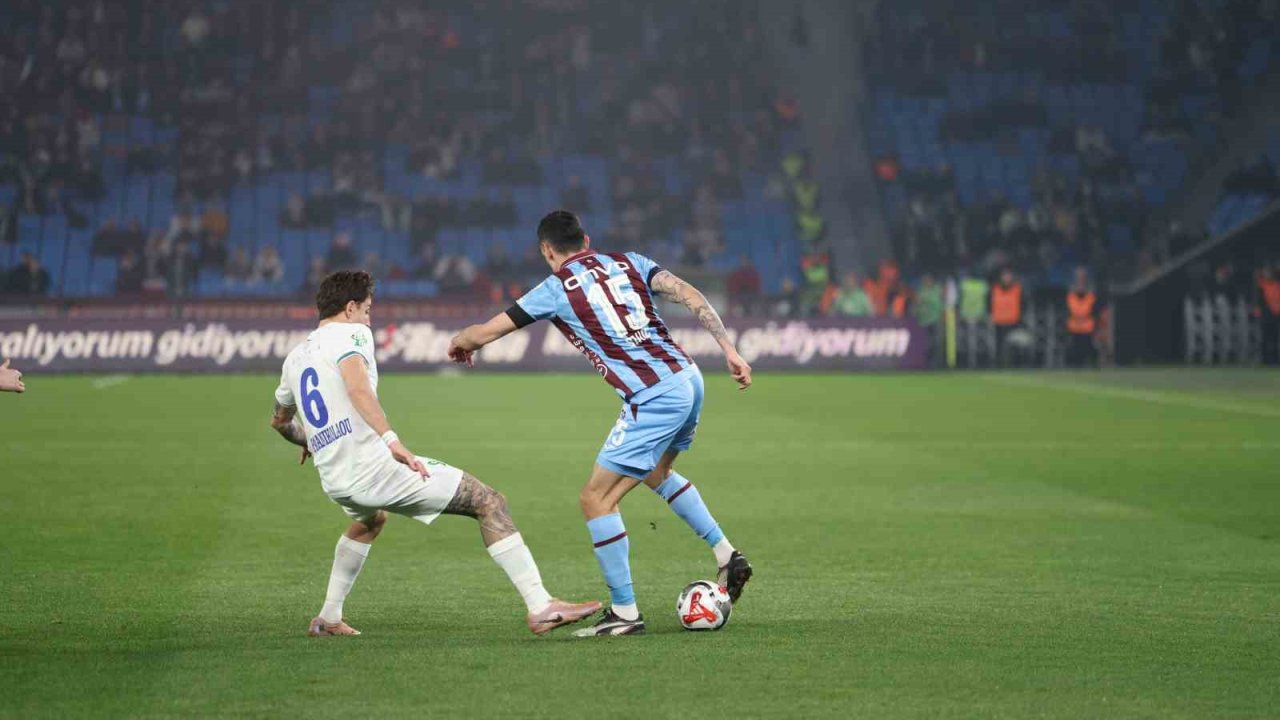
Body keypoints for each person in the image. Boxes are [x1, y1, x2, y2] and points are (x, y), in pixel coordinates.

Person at [447, 210, 754, 638]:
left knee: (595, 499)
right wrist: (729, 349)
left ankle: (625, 614)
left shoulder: (554, 288)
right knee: (657, 472)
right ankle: (727, 555)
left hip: (653, 396)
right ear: (586, 240)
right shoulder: (630, 261)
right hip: (688, 378)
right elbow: (687, 293)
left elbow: (482, 334)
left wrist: (459, 342)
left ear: (546, 250)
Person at [272, 270, 599, 637]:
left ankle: (329, 617)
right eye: (366, 309)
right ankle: (541, 606)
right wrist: (392, 441)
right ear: (349, 309)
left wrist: (308, 441)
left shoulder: (295, 358)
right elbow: (357, 389)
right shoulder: (353, 334)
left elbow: (280, 421)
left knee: (370, 520)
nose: (369, 317)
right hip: (374, 468)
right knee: (489, 502)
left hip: (336, 479)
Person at [990, 267, 1022, 367]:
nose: (1007, 278)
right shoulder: (995, 289)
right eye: (1005, 276)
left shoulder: (1017, 288)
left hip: (1013, 321)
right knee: (999, 345)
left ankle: (1014, 364)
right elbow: (989, 304)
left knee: (1014, 344)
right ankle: (999, 364)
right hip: (998, 321)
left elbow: (1023, 303)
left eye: (1008, 276)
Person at [1065, 267, 1097, 367]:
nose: (1080, 278)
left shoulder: (1091, 294)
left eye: (1082, 276)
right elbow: (1068, 310)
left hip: (1088, 328)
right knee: (1074, 353)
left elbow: (1095, 311)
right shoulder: (1070, 294)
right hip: (1073, 328)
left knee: (1088, 351)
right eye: (1078, 276)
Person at [1258, 264, 1280, 365]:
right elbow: (1259, 301)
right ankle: (1265, 359)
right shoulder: (1261, 286)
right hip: (1266, 315)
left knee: (1275, 338)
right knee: (1265, 338)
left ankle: (1274, 359)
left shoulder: (1277, 285)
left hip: (1276, 315)